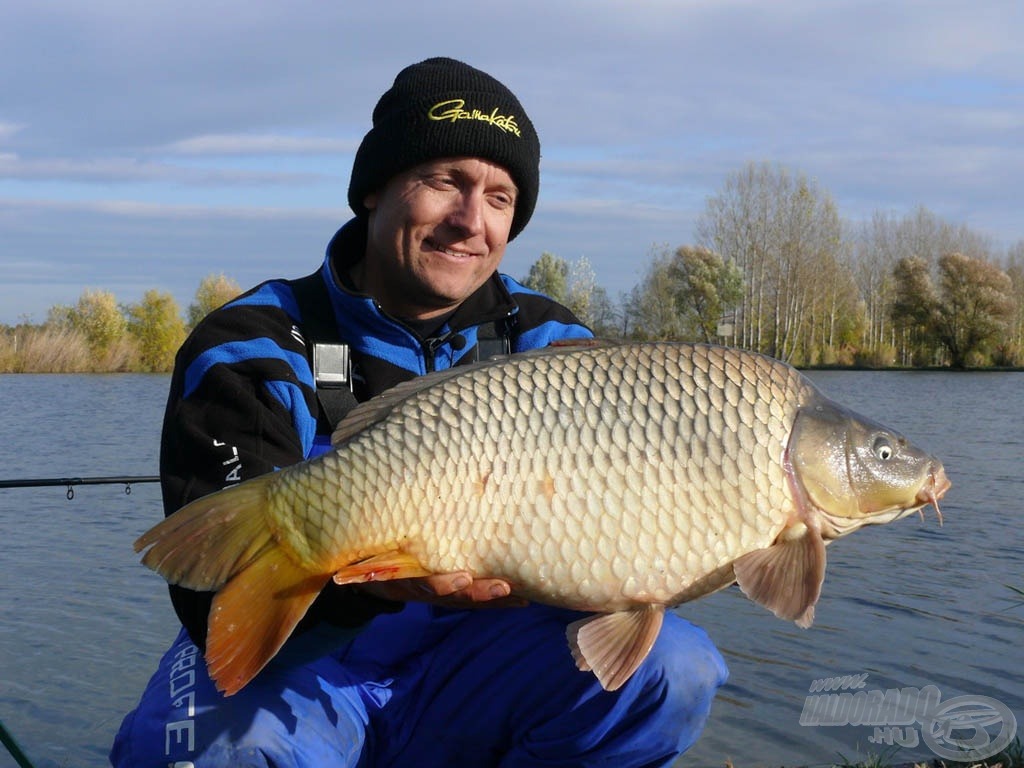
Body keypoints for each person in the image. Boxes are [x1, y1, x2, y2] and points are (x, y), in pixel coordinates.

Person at [111, 57, 727, 767]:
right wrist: (374, 579)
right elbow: (213, 599)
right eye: (445, 182)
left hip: (481, 659)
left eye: (500, 198)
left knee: (673, 670)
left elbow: (630, 533)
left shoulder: (552, 343)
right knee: (198, 751)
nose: (471, 220)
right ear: (374, 190)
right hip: (311, 666)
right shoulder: (248, 344)